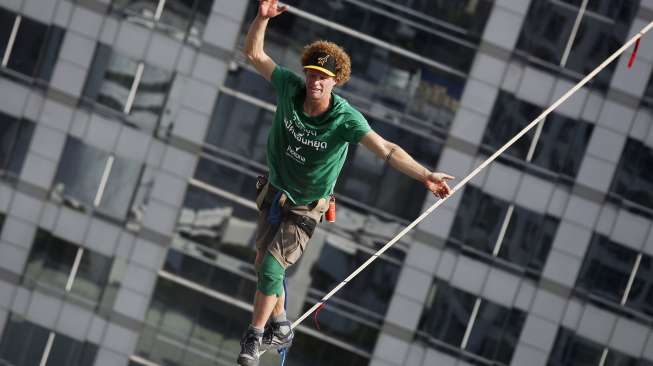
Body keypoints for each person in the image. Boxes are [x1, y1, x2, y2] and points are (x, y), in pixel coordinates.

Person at [238, 1, 455, 365]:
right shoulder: (289, 88)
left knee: (273, 268)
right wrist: (262, 18)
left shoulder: (345, 119)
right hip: (275, 190)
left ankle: (254, 339)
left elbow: (387, 150)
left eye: (323, 77)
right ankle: (279, 323)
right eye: (311, 74)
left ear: (336, 82)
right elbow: (254, 53)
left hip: (308, 204)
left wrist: (425, 175)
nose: (315, 82)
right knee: (262, 263)